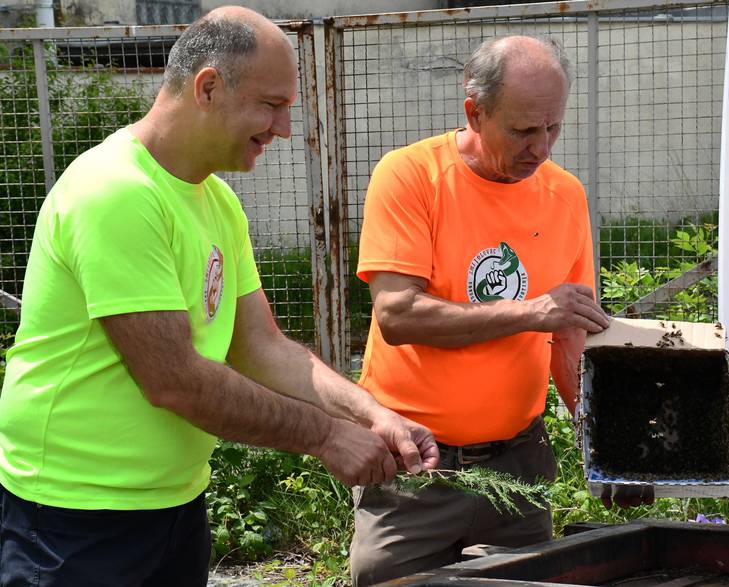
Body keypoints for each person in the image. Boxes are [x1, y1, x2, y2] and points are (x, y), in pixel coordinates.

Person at [0, 7, 438, 586]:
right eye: (272, 104)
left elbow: (258, 345)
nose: (283, 128)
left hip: (174, 506)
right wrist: (327, 435)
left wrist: (370, 412)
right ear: (208, 87)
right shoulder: (116, 192)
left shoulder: (216, 201)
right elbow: (173, 378)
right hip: (73, 521)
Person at [349, 35, 614, 584]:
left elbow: (569, 339)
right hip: (412, 464)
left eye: (553, 128)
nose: (540, 148)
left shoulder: (565, 196)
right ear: (474, 111)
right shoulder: (410, 177)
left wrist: (602, 446)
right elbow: (397, 317)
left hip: (518, 464)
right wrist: (529, 311)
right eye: (522, 130)